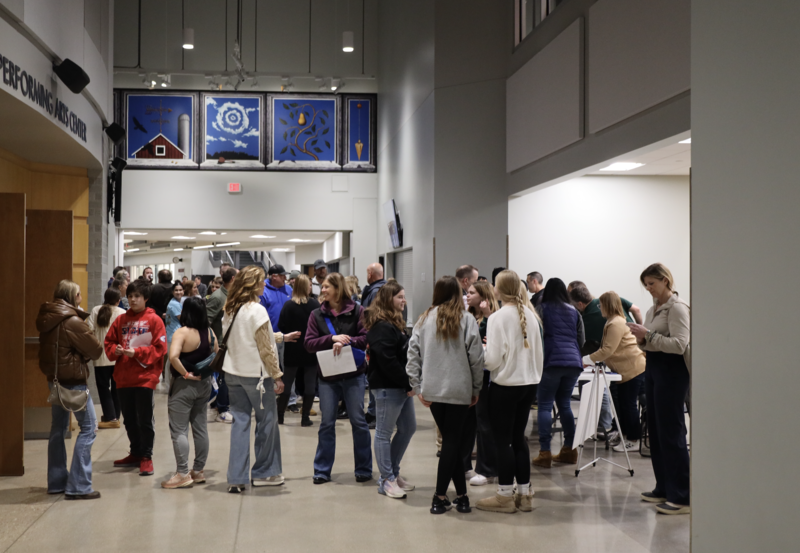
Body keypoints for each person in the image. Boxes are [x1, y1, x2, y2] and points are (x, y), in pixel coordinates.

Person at [406, 276, 484, 515]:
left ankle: (461, 496)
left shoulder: (423, 320)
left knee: (452, 442)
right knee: (453, 442)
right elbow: (477, 358)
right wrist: (476, 388)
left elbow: (412, 356)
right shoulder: (467, 319)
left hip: (433, 391)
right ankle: (440, 496)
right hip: (460, 390)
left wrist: (417, 386)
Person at [475, 270, 544, 513]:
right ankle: (525, 495)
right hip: (529, 385)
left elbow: (492, 360)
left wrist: (479, 355)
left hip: (505, 387)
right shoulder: (531, 315)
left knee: (502, 442)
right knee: (519, 439)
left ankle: (504, 496)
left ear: (499, 289)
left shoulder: (497, 318)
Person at [627, 263, 690, 516]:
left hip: (672, 372)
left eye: (651, 283)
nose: (648, 288)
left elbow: (680, 344)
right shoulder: (655, 309)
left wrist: (648, 337)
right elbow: (651, 342)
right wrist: (642, 339)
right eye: (646, 284)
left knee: (671, 432)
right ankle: (664, 487)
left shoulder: (678, 308)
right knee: (656, 430)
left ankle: (682, 496)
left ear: (665, 280)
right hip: (654, 369)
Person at [37, 280, 103, 500]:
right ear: (72, 296)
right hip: (73, 382)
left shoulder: (48, 318)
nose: (81, 296)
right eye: (79, 293)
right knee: (89, 427)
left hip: (54, 381)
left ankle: (57, 482)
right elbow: (95, 350)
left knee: (58, 428)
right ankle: (79, 485)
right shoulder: (73, 320)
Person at [304, 272, 372, 485]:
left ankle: (363, 469)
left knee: (359, 422)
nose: (322, 290)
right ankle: (322, 470)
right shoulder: (316, 314)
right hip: (328, 378)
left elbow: (365, 339)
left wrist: (347, 341)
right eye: (322, 287)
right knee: (326, 423)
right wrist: (331, 338)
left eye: (326, 287)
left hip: (354, 375)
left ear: (338, 288)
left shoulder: (358, 311)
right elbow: (309, 343)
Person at [222, 266, 285, 492]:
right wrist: (277, 376)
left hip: (233, 373)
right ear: (252, 284)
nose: (263, 286)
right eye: (260, 282)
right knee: (267, 423)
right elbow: (265, 349)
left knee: (240, 423)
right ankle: (264, 473)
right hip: (257, 377)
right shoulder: (257, 310)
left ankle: (236, 478)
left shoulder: (230, 308)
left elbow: (242, 337)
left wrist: (279, 336)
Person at [104, 279, 168, 477]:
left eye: (137, 297)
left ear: (145, 299)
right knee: (129, 420)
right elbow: (109, 343)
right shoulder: (121, 320)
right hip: (123, 377)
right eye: (130, 296)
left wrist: (137, 352)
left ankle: (146, 457)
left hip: (145, 376)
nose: (132, 300)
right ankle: (136, 452)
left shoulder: (154, 320)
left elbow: (160, 348)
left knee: (144, 419)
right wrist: (118, 350)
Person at [364, 281, 416, 499]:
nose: (403, 301)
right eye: (399, 297)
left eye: (404, 296)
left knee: (408, 428)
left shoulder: (395, 322)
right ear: (387, 300)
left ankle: (393, 472)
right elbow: (387, 361)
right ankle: (386, 479)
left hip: (400, 387)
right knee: (384, 433)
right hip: (388, 387)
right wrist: (408, 382)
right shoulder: (382, 326)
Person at [162, 297, 218, 489]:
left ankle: (183, 473)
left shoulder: (181, 333)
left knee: (179, 430)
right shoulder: (210, 332)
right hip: (204, 386)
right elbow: (216, 354)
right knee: (200, 428)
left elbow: (173, 357)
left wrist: (185, 373)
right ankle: (198, 470)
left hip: (183, 386)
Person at [582, 291, 646, 452]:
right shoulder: (613, 321)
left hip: (633, 369)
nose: (600, 307)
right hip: (626, 370)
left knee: (629, 405)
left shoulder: (616, 323)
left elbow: (607, 350)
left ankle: (633, 439)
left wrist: (585, 360)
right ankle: (625, 435)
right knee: (624, 405)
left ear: (607, 305)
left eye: (601, 304)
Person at [532, 278, 585, 468]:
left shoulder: (541, 309)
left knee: (545, 406)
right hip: (572, 363)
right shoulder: (575, 312)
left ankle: (545, 452)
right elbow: (581, 339)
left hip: (551, 361)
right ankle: (569, 450)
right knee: (565, 406)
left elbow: (535, 337)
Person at [464, 281, 500, 487]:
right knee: (473, 423)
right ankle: (471, 466)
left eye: (471, 293)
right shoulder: (473, 318)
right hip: (472, 376)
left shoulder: (490, 319)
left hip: (486, 376)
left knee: (484, 424)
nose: (467, 296)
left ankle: (487, 470)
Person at [277, 275, 320, 426]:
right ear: (306, 287)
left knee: (287, 382)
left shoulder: (288, 305)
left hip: (292, 347)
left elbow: (281, 326)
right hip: (310, 348)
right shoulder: (315, 305)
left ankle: (280, 416)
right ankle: (305, 418)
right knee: (309, 384)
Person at [86, 288, 126, 429]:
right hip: (118, 356)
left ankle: (111, 417)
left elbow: (88, 330)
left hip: (101, 357)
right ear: (118, 300)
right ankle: (116, 416)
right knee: (117, 388)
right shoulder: (123, 313)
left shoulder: (96, 310)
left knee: (103, 388)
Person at [207, 267, 239, 423]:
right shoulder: (218, 297)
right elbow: (206, 321)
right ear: (233, 279)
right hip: (221, 345)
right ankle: (222, 409)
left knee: (230, 378)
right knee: (223, 379)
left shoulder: (234, 295)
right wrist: (213, 343)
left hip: (233, 343)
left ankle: (226, 406)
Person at [361, 262, 386, 427]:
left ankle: (375, 414)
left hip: (377, 339)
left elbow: (372, 316)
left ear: (370, 274)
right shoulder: (383, 289)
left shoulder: (376, 292)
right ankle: (372, 412)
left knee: (376, 377)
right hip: (378, 338)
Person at [166, 283, 184, 352]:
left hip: (172, 335)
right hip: (174, 335)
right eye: (176, 290)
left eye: (180, 290)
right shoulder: (175, 304)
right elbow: (182, 320)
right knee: (173, 360)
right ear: (172, 292)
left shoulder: (175, 302)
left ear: (183, 291)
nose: (178, 292)